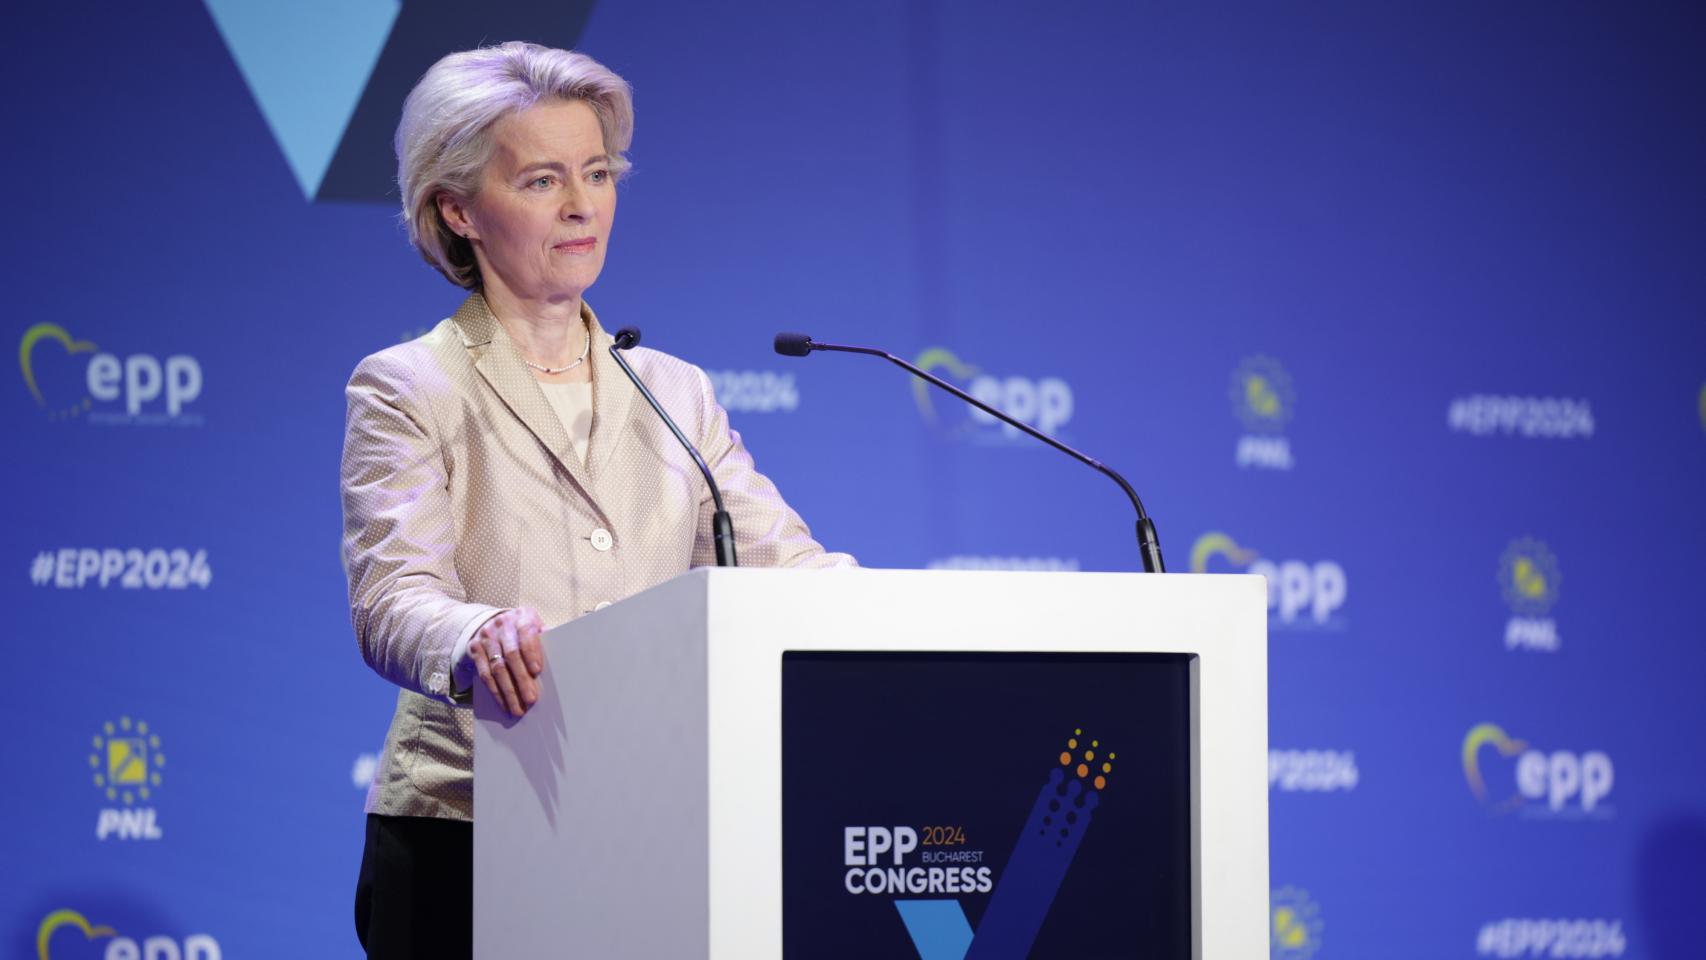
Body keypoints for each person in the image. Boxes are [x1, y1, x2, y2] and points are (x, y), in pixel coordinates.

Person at [340, 42, 854, 958]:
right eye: (542, 180)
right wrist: (475, 635)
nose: (582, 205)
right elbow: (392, 599)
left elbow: (789, 570)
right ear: (459, 210)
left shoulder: (673, 389)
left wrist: (900, 615)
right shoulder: (410, 386)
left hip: (646, 826)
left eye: (598, 172)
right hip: (465, 829)